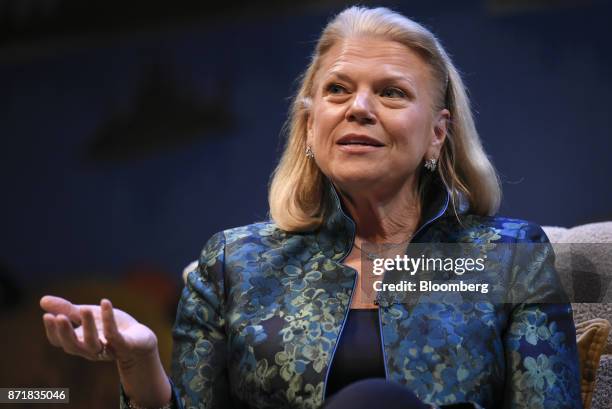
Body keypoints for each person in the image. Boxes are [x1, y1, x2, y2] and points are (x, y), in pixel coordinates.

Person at [39, 6, 583, 409]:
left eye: (391, 93)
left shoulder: (508, 257)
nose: (360, 108)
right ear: (309, 127)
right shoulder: (233, 264)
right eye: (338, 90)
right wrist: (140, 363)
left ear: (437, 136)